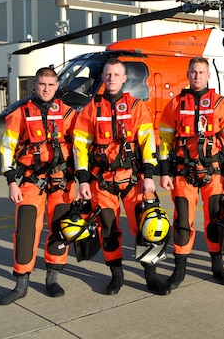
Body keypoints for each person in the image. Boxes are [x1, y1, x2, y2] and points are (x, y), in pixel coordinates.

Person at [73, 58, 167, 295]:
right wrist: (83, 179)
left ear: (124, 79)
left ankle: (151, 276)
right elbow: (80, 146)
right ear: (102, 77)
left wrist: (148, 175)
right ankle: (117, 276)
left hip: (133, 179)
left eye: (116, 74)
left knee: (148, 226)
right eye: (108, 74)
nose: (111, 78)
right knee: (108, 229)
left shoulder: (136, 106)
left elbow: (147, 142)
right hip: (102, 182)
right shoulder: (90, 109)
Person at [158, 57, 224, 289]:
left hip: (214, 173)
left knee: (215, 220)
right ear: (188, 74)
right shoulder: (175, 104)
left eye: (201, 72)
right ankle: (179, 270)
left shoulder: (220, 104)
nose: (197, 76)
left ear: (208, 76)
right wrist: (164, 172)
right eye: (193, 72)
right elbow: (164, 140)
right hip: (184, 173)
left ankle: (217, 267)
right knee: (182, 221)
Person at [0, 67, 76, 305]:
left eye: (51, 85)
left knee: (60, 230)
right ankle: (21, 284)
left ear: (57, 86)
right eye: (42, 84)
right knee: (25, 231)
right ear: (35, 84)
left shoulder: (68, 113)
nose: (46, 89)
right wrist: (12, 182)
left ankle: (52, 279)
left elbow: (81, 147)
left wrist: (84, 179)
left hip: (62, 183)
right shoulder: (21, 113)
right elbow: (7, 148)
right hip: (31, 182)